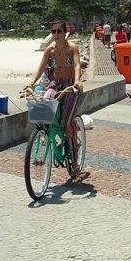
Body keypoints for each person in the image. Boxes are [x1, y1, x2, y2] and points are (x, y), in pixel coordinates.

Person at [28, 20, 84, 175]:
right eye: (53, 31)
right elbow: (40, 68)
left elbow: (77, 65)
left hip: (70, 86)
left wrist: (78, 81)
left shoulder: (71, 47)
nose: (56, 34)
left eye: (59, 31)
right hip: (56, 84)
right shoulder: (50, 50)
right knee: (43, 104)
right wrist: (31, 83)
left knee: (67, 123)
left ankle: (74, 160)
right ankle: (45, 132)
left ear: (65, 32)